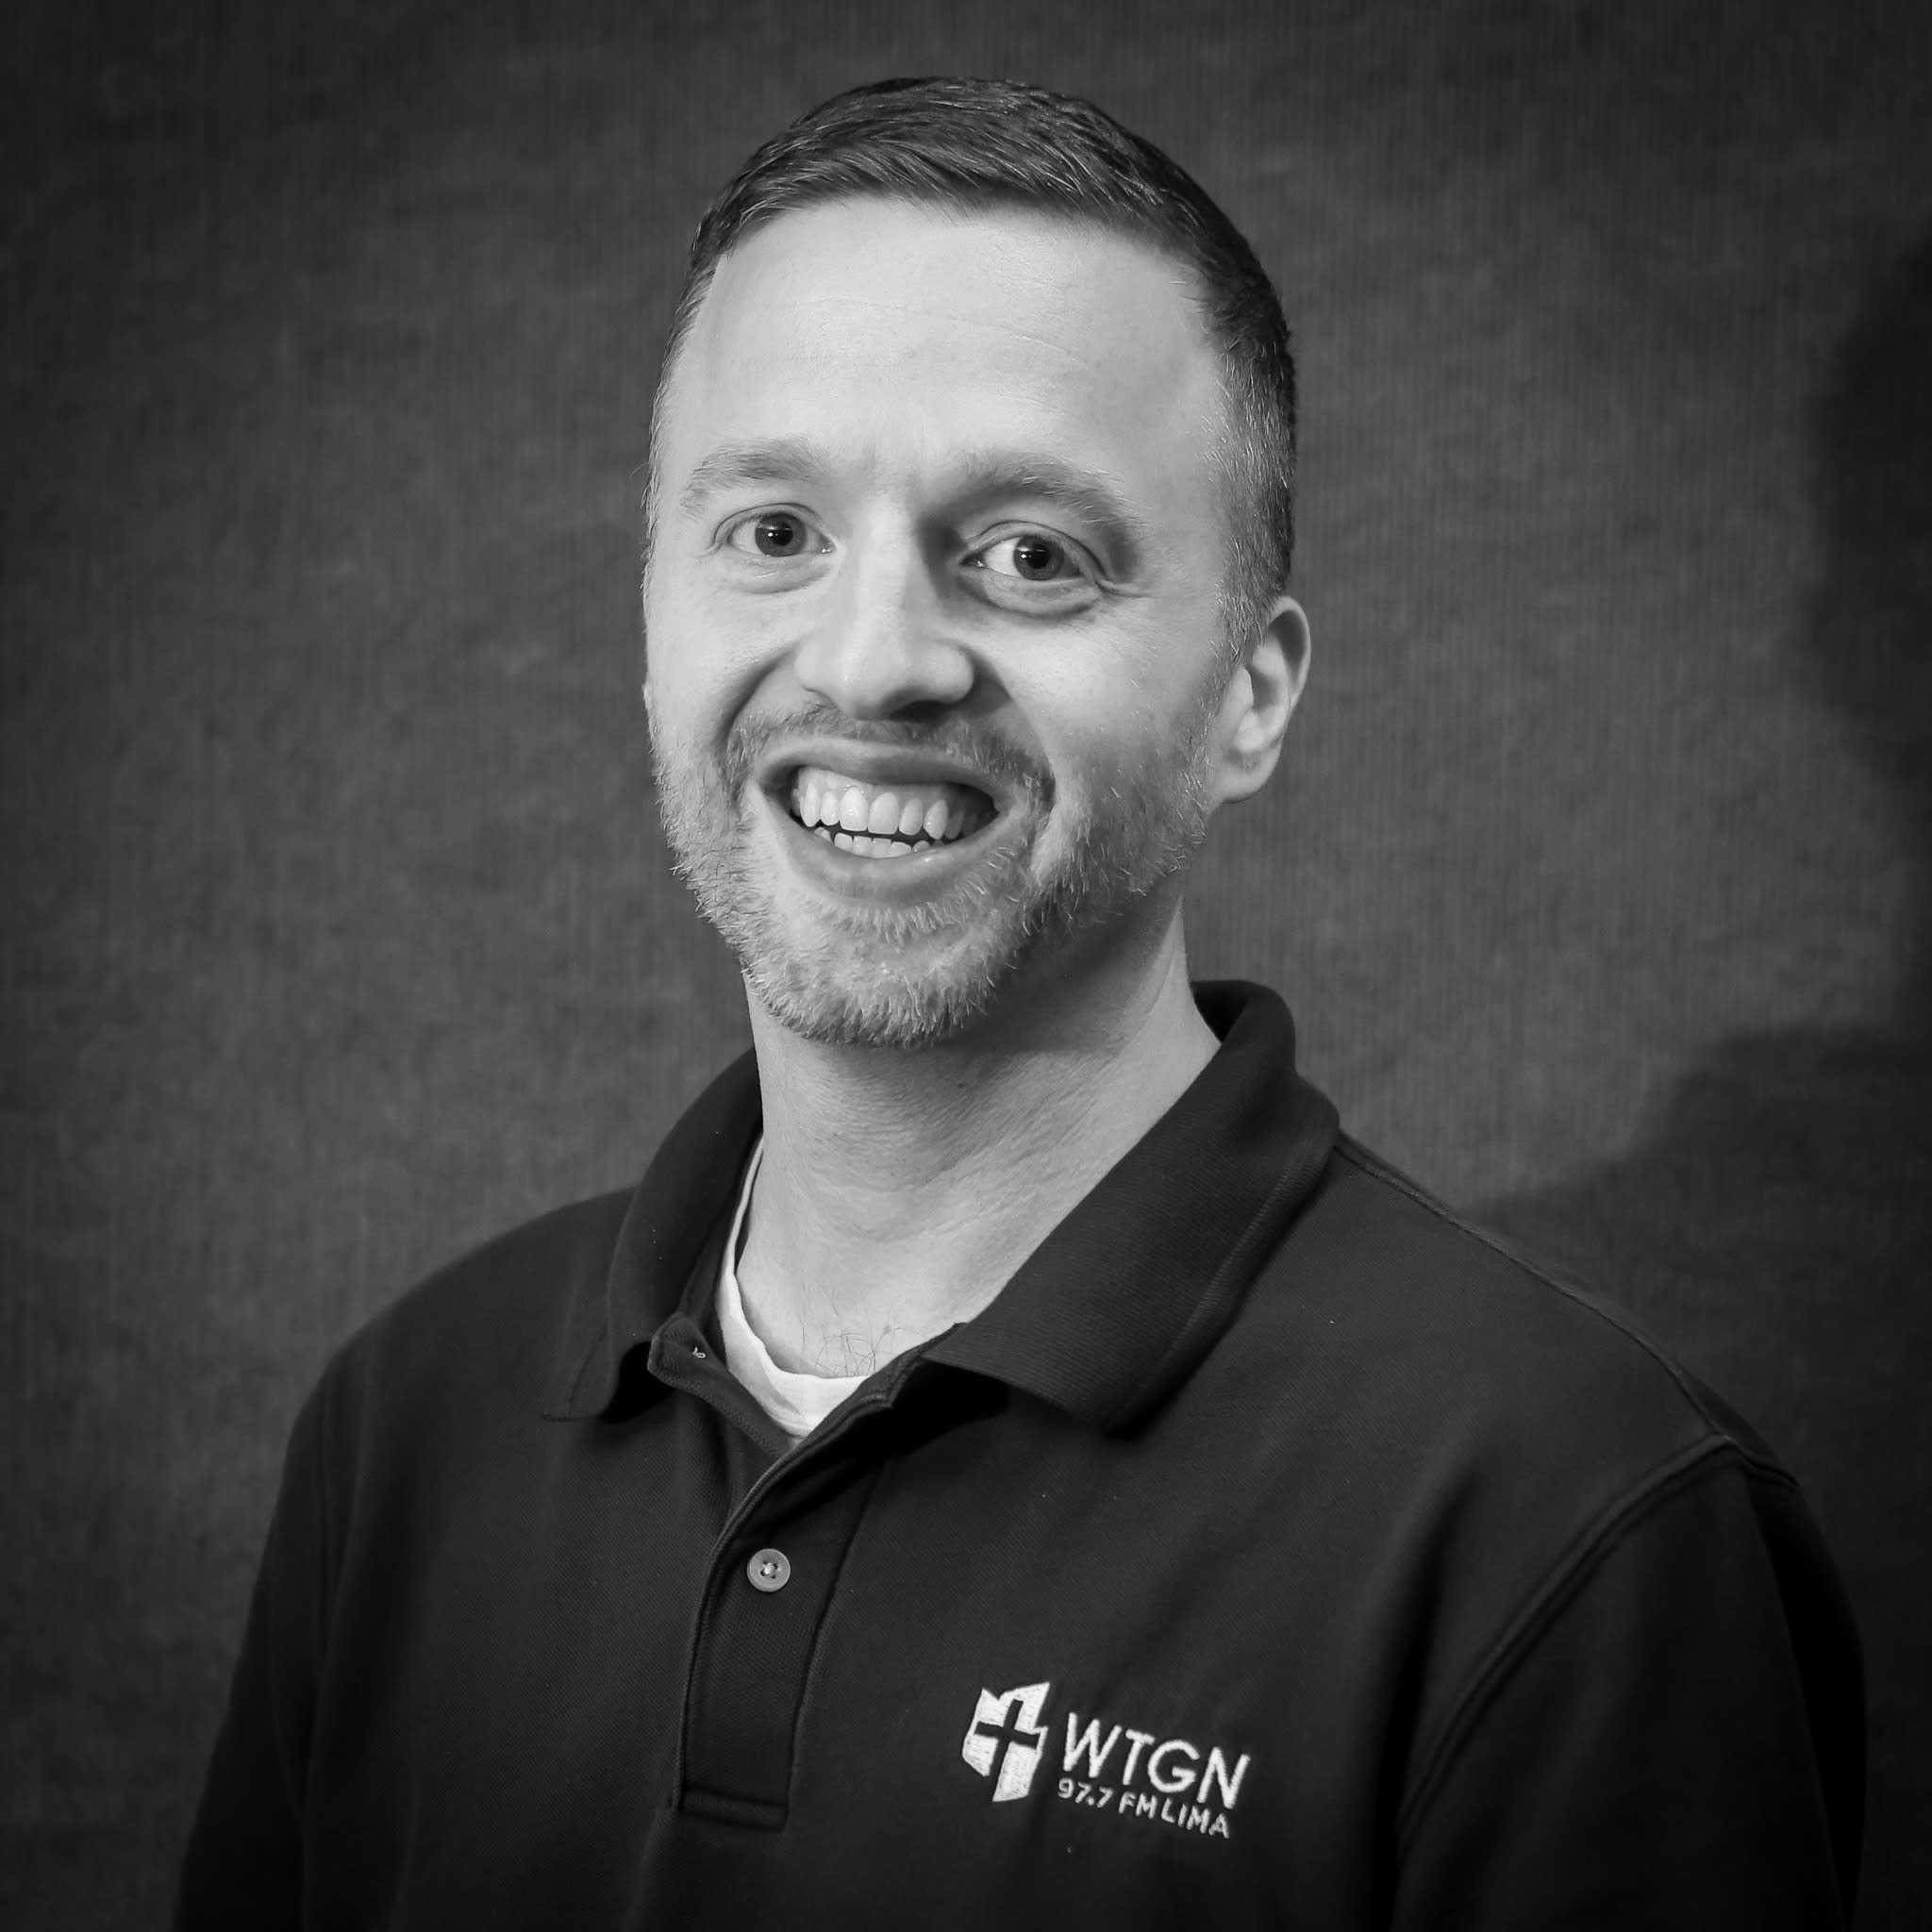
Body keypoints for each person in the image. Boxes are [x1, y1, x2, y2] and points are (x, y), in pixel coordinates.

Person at [174, 77, 1863, 1929]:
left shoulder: (1573, 1522)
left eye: (1031, 554)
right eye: (773, 531)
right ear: (651, 613)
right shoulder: (406, 1429)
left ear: (1251, 693)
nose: (874, 661)